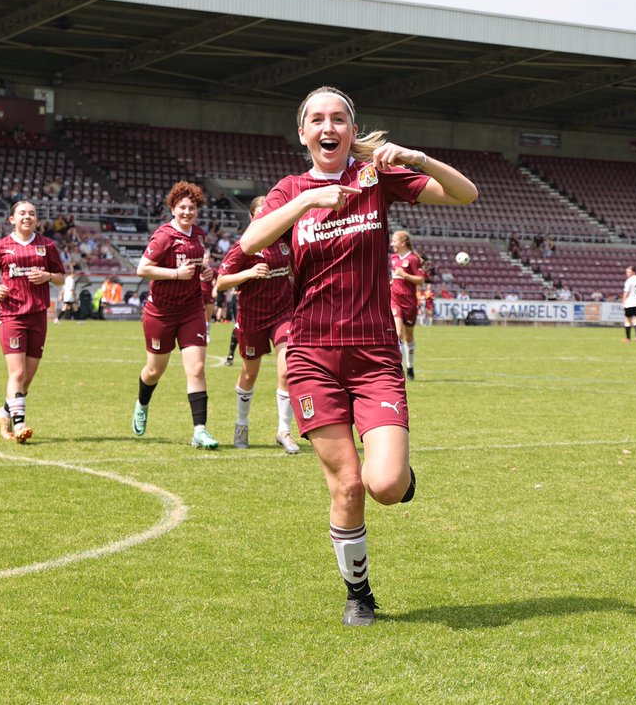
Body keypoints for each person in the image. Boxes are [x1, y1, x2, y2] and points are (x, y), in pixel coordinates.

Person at [240, 86, 477, 625]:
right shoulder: (289, 190)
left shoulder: (374, 179)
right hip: (310, 356)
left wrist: (416, 157)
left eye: (339, 119)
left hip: (374, 355)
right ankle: (359, 594)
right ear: (303, 134)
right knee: (346, 486)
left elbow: (465, 194)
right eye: (317, 120)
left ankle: (397, 475)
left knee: (387, 487)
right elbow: (251, 243)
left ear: (351, 129)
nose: (329, 127)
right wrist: (305, 201)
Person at [132, 181, 219, 450]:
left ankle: (200, 431)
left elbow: (198, 265)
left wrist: (206, 274)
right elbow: (142, 269)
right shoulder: (163, 236)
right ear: (173, 208)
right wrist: (175, 274)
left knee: (197, 368)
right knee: (154, 370)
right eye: (182, 207)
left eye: (191, 208)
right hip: (160, 312)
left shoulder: (200, 235)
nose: (187, 212)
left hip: (191, 309)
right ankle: (142, 403)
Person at [215, 195, 299, 453]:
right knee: (250, 373)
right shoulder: (245, 245)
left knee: (287, 370)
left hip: (283, 314)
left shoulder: (285, 241)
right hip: (252, 317)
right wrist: (249, 273)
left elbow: (295, 272)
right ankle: (241, 423)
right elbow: (221, 282)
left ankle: (284, 430)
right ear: (252, 217)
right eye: (262, 212)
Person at [0, 200, 65, 443]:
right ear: (12, 219)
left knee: (27, 376)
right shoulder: (1, 246)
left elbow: (61, 278)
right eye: (22, 213)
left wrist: (48, 276)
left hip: (38, 314)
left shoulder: (47, 246)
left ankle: (4, 412)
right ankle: (19, 424)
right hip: (11, 314)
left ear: (37, 220)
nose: (27, 217)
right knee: (17, 372)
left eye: (31, 214)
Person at [389, 230, 425, 380]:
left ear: (403, 243)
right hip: (394, 299)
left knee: (409, 337)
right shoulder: (393, 258)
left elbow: (421, 280)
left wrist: (405, 275)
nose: (392, 244)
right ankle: (399, 368)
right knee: (397, 333)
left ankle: (410, 367)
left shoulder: (412, 259)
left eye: (394, 241)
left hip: (409, 301)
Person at [621, 264, 636, 343]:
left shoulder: (629, 281)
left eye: (629, 272)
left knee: (627, 320)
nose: (627, 274)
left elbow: (626, 293)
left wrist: (623, 302)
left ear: (634, 272)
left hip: (630, 303)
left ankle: (628, 338)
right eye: (626, 272)